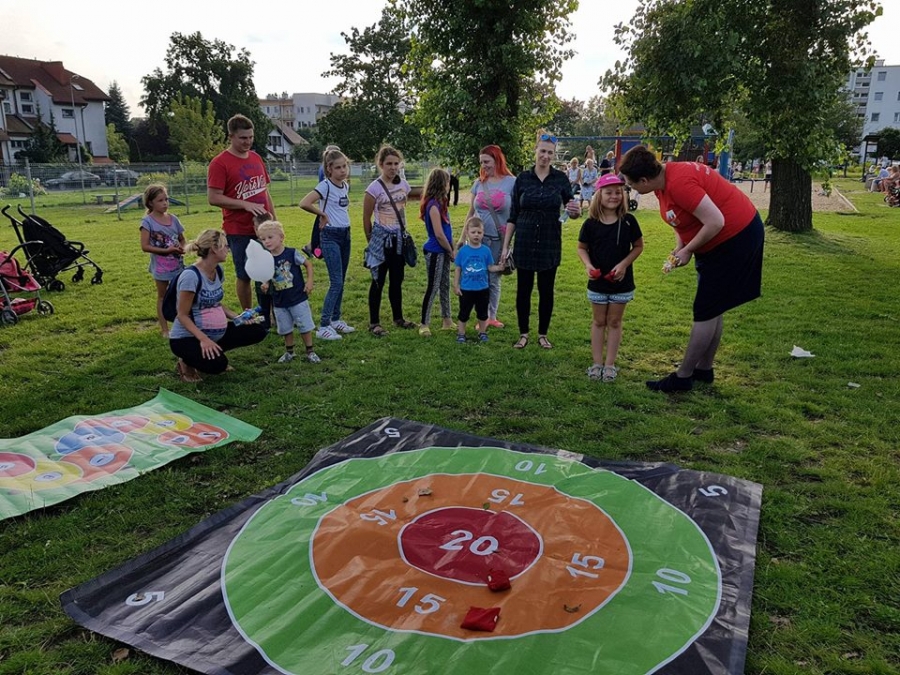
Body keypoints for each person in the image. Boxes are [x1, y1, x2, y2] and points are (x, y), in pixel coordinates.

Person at [618, 145, 764, 392]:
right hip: (719, 241)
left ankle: (683, 376)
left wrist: (688, 250)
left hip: (735, 238)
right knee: (714, 306)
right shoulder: (661, 181)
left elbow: (715, 221)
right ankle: (704, 369)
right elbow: (679, 217)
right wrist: (680, 246)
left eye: (631, 184)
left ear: (644, 180)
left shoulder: (679, 183)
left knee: (706, 309)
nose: (630, 188)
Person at [501, 130, 581, 350]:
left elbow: (572, 209)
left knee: (546, 291)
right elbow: (513, 215)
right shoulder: (523, 179)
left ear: (554, 155)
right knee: (523, 290)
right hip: (524, 242)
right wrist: (506, 246)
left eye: (550, 153)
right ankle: (523, 334)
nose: (545, 156)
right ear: (535, 151)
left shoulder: (560, 179)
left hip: (549, 242)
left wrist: (575, 212)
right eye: (542, 151)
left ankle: (543, 334)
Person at [168, 229, 268, 382]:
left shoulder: (217, 270)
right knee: (217, 365)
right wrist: (204, 339)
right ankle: (186, 362)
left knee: (257, 330)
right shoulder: (190, 276)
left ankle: (213, 351)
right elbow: (182, 315)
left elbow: (215, 302)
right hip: (187, 338)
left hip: (213, 334)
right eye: (225, 246)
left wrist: (237, 317)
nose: (228, 249)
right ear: (214, 249)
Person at [207, 114, 275, 320]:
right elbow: (213, 197)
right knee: (245, 274)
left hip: (263, 228)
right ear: (231, 136)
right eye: (243, 138)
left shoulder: (256, 158)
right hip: (238, 229)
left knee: (267, 272)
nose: (248, 142)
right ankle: (249, 314)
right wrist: (244, 204)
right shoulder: (220, 163)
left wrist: (273, 221)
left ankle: (269, 313)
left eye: (251, 137)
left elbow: (265, 192)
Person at [576, 174, 644, 382]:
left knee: (614, 322)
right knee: (599, 321)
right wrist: (588, 265)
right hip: (597, 283)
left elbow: (638, 246)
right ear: (599, 195)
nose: (614, 196)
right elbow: (581, 248)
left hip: (621, 283)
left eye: (618, 192)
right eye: (609, 192)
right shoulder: (590, 224)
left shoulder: (629, 221)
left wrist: (623, 265)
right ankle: (597, 363)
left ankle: (609, 365)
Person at [299, 147, 355, 341]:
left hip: (345, 234)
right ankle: (323, 326)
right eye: (338, 167)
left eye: (345, 166)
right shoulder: (325, 186)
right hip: (330, 236)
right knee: (336, 282)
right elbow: (304, 203)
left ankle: (335, 319)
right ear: (329, 169)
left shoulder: (345, 185)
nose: (343, 170)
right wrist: (322, 214)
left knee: (341, 280)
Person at [460, 144, 516, 329]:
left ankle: (492, 316)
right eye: (481, 162)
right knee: (477, 276)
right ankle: (481, 316)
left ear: (497, 160)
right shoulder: (478, 183)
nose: (483, 166)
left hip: (499, 239)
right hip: (477, 240)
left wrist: (508, 244)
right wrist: (462, 238)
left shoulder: (511, 182)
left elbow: (516, 213)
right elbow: (470, 212)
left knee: (494, 278)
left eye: (487, 161)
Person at [363, 144, 415, 336]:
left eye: (396, 163)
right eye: (389, 164)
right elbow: (366, 218)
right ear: (381, 164)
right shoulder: (374, 188)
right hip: (381, 239)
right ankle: (374, 323)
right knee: (378, 280)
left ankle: (398, 318)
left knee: (397, 279)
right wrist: (371, 241)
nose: (393, 167)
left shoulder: (404, 185)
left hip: (399, 238)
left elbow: (403, 207)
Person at [256, 221, 320, 364]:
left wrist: (309, 281)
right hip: (279, 301)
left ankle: (310, 351)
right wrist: (265, 283)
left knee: (304, 325)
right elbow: (267, 275)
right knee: (285, 328)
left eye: (270, 237)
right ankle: (289, 352)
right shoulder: (266, 259)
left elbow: (308, 264)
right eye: (263, 239)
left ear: (281, 237)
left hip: (297, 298)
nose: (266, 241)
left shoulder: (292, 253)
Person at [140, 183, 185, 338]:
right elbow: (145, 246)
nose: (165, 203)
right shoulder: (147, 222)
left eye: (166, 199)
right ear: (150, 202)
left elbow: (182, 239)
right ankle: (165, 329)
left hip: (178, 266)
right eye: (160, 200)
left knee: (181, 295)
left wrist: (182, 248)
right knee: (162, 296)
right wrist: (166, 251)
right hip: (161, 268)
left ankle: (182, 325)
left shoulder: (174, 219)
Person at [454, 217, 505, 343]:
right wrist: (456, 285)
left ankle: (482, 333)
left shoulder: (486, 251)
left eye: (479, 232)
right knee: (464, 313)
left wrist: (499, 267)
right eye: (473, 232)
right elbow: (458, 269)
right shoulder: (463, 251)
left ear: (483, 234)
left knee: (482, 314)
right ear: (467, 233)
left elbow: (489, 267)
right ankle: (461, 334)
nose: (476, 235)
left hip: (482, 289)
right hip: (466, 289)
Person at [418, 168, 455, 337]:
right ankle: (424, 323)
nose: (449, 185)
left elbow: (448, 230)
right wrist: (449, 250)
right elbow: (439, 234)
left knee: (445, 285)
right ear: (441, 183)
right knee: (433, 287)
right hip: (435, 252)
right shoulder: (433, 205)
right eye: (447, 182)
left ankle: (447, 320)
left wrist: (452, 248)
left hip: (445, 250)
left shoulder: (443, 203)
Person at [305, 143, 341, 260]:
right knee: (322, 227)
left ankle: (313, 248)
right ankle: (315, 249)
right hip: (327, 204)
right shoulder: (326, 170)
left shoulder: (323, 167)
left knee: (321, 227)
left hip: (327, 203)